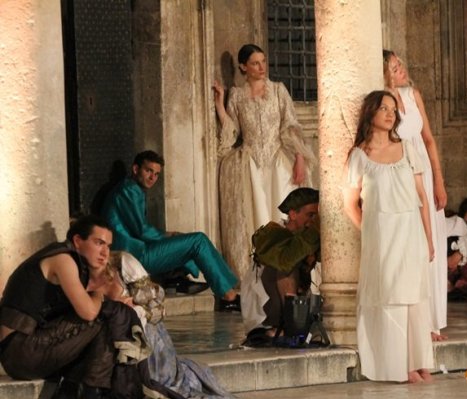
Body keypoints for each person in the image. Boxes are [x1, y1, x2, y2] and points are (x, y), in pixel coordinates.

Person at [0, 216, 139, 399]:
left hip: (26, 350)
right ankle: (91, 396)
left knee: (109, 311)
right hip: (20, 352)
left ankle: (70, 393)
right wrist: (100, 294)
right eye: (98, 243)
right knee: (106, 314)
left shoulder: (75, 263)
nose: (105, 252)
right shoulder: (63, 260)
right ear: (77, 241)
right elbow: (88, 312)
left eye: (108, 246)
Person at [343, 90, 435, 383]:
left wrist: (429, 239)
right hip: (382, 235)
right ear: (370, 111)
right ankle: (400, 364)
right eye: (383, 108)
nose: (390, 114)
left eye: (393, 110)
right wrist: (371, 232)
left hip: (410, 231)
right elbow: (350, 204)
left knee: (413, 295)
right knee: (391, 296)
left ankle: (419, 361)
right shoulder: (359, 156)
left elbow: (422, 197)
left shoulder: (407, 148)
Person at [212, 43, 316, 282]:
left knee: (284, 214)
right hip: (252, 165)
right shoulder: (237, 95)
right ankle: (260, 278)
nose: (261, 67)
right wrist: (220, 104)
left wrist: (299, 158)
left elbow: (291, 126)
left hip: (278, 162)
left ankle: (292, 274)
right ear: (243, 67)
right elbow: (233, 131)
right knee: (257, 216)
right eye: (255, 63)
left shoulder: (278, 90)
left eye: (263, 62)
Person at [101, 150, 239, 311]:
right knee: (198, 241)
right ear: (136, 169)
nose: (152, 178)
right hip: (133, 256)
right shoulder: (129, 190)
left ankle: (176, 278)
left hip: (135, 251)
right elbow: (141, 230)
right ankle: (228, 297)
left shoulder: (131, 189)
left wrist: (169, 236)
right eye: (148, 171)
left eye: (156, 174)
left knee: (184, 241)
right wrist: (168, 235)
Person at [99, 251, 234, 399]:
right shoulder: (82, 275)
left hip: (145, 335)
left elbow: (156, 307)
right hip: (112, 342)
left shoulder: (122, 263)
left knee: (162, 380)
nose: (101, 250)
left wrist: (135, 310)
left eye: (104, 243)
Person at [383, 49, 448, 342]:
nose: (402, 70)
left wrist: (439, 181)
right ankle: (414, 320)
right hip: (401, 172)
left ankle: (433, 321)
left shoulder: (413, 95)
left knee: (433, 239)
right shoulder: (382, 103)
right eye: (395, 67)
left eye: (400, 64)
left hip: (425, 171)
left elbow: (429, 140)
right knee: (414, 241)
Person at [240, 188, 320, 339]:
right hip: (263, 310)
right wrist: (316, 230)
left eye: (316, 216)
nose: (313, 221)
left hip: (288, 301)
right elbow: (286, 261)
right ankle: (290, 325)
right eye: (310, 215)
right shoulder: (272, 233)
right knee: (287, 268)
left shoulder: (305, 236)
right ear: (293, 214)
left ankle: (295, 323)